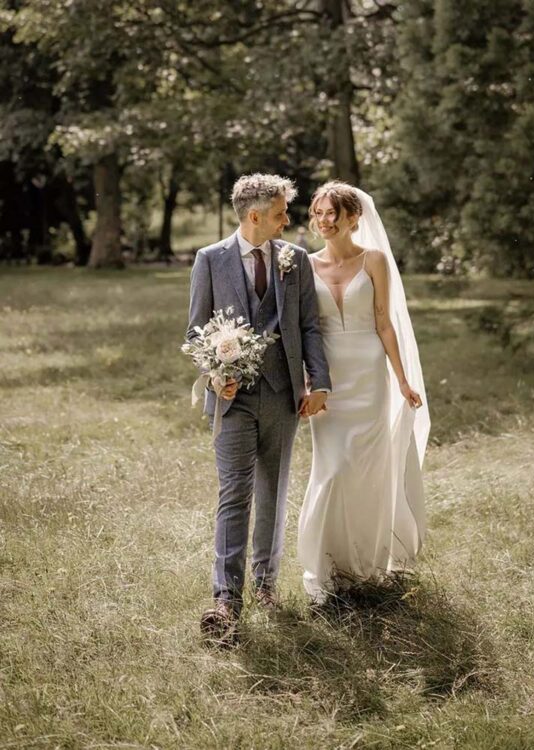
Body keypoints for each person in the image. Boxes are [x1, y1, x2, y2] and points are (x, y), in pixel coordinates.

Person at [187, 174, 331, 641]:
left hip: (284, 395)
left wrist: (319, 383)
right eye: (281, 213)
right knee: (235, 494)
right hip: (234, 401)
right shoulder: (210, 260)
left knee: (274, 489)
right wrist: (215, 375)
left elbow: (309, 326)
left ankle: (266, 585)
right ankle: (226, 599)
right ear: (255, 216)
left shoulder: (296, 261)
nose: (289, 221)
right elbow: (196, 332)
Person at [297, 181, 430, 602]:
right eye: (317, 213)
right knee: (333, 469)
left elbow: (383, 322)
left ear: (354, 218)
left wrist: (403, 380)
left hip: (370, 374)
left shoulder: (374, 260)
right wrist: (307, 379)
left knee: (367, 470)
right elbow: (303, 329)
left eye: (331, 213)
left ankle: (366, 565)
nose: (322, 221)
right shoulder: (304, 264)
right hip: (328, 380)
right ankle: (324, 566)